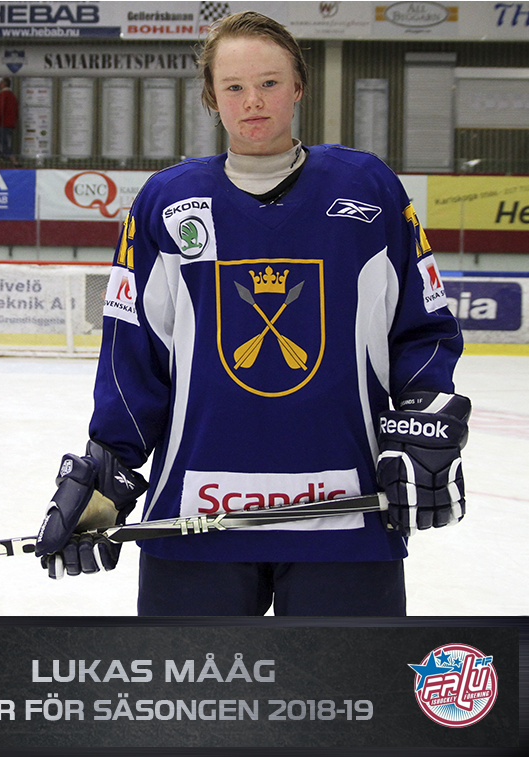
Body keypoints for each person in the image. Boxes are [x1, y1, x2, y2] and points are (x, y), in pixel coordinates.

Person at [35, 11, 470, 616]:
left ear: (298, 87)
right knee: (189, 684)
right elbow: (132, 354)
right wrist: (109, 466)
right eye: (234, 86)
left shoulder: (369, 188)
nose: (253, 101)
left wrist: (424, 419)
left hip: (345, 516)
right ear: (212, 97)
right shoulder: (165, 202)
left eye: (269, 83)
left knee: (347, 683)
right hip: (195, 517)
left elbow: (422, 328)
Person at [0, 77, 18, 166]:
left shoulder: (2, 95)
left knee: (3, 144)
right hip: (10, 124)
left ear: (4, 84)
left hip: (2, 123)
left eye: (0, 83)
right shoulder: (13, 96)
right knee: (1, 141)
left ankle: (14, 161)